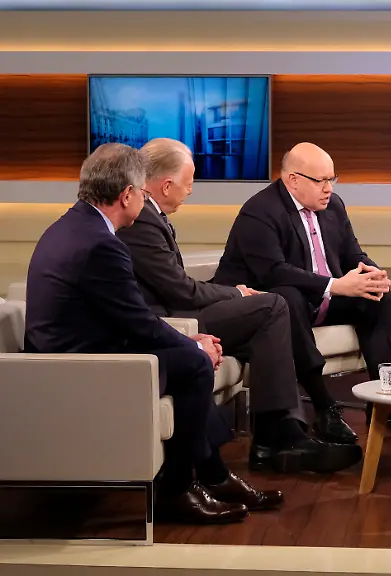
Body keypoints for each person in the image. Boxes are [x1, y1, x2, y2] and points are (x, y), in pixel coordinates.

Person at [24, 143, 280, 524]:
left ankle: (212, 475)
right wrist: (194, 346)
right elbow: (139, 323)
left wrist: (189, 342)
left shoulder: (71, 226)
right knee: (194, 366)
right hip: (78, 368)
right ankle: (178, 490)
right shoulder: (101, 245)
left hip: (76, 352)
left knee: (188, 358)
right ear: (127, 195)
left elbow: (126, 317)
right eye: (143, 193)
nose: (145, 200)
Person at [116, 138, 362, 474]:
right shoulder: (143, 221)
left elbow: (177, 285)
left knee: (269, 321)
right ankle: (278, 439)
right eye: (188, 183)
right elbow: (180, 291)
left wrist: (232, 293)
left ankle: (276, 439)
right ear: (167, 185)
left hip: (180, 310)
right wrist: (235, 294)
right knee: (272, 306)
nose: (191, 191)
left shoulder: (149, 215)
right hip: (173, 320)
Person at [212, 142, 391, 428]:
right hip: (271, 308)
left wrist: (371, 273)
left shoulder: (333, 205)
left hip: (318, 299)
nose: (328, 188)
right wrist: (335, 285)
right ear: (293, 180)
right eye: (320, 181)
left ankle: (390, 403)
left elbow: (352, 253)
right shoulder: (260, 212)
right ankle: (324, 405)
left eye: (332, 179)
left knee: (375, 295)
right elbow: (273, 273)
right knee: (288, 296)